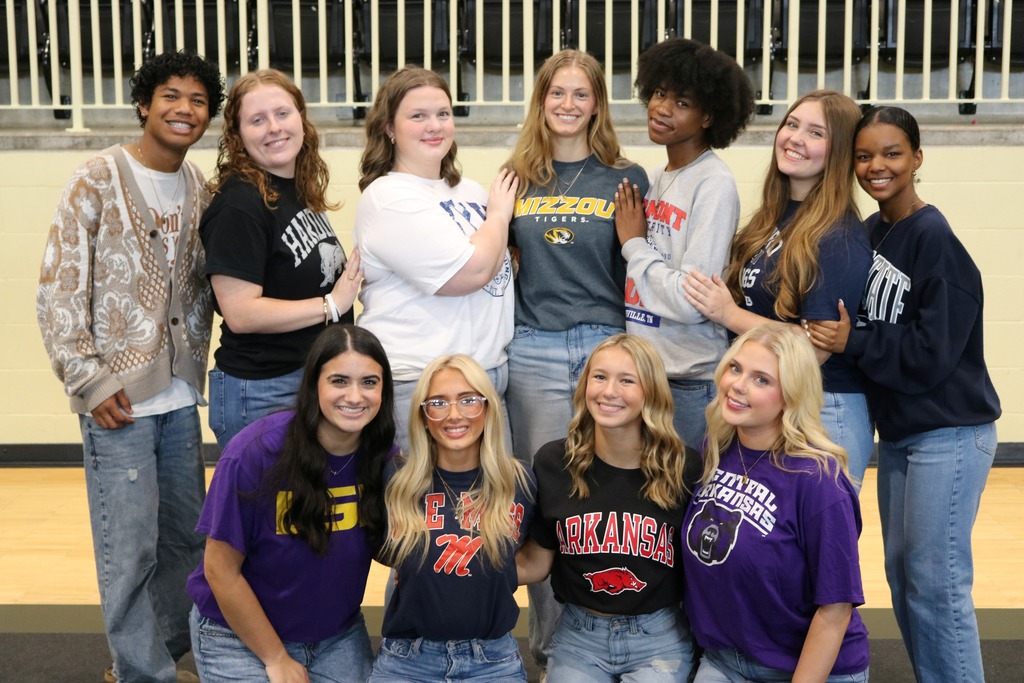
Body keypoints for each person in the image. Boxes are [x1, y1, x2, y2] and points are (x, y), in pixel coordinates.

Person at [36, 51, 225, 683]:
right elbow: (59, 286)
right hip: (117, 397)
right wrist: (87, 379)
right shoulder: (97, 177)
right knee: (129, 547)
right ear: (144, 103)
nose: (184, 110)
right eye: (171, 96)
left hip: (177, 398)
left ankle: (160, 657)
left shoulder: (200, 185)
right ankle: (139, 670)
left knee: (182, 542)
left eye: (197, 101)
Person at [806, 106, 1000, 683]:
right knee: (904, 578)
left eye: (892, 154)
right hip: (899, 434)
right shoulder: (871, 233)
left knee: (936, 583)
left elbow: (932, 354)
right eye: (864, 156)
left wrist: (854, 341)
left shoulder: (934, 238)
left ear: (917, 158)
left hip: (950, 431)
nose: (876, 167)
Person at [503, 49, 649, 670]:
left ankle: (611, 633)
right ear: (541, 101)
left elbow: (640, 268)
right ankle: (552, 645)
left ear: (598, 104)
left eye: (581, 94)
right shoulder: (515, 178)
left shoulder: (626, 177)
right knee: (543, 495)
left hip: (603, 346)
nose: (567, 104)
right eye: (556, 93)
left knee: (606, 492)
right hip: (532, 347)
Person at [682, 90, 874, 487]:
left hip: (824, 407)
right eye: (791, 124)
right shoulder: (773, 219)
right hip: (777, 404)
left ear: (838, 151)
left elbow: (815, 347)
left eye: (815, 132)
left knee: (817, 542)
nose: (795, 138)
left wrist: (728, 314)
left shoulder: (838, 235)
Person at [186, 324, 395, 683]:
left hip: (335, 636)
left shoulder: (385, 459)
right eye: (340, 381)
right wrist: (276, 657)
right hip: (237, 635)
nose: (356, 396)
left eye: (369, 382)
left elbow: (393, 549)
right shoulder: (255, 452)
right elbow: (219, 570)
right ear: (314, 384)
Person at [682, 323, 869, 682]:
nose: (738, 385)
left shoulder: (819, 482)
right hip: (726, 661)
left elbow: (835, 610)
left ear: (791, 396)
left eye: (762, 380)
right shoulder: (717, 448)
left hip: (811, 668)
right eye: (736, 368)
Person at [517, 334, 701, 682]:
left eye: (626, 380)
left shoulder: (683, 468)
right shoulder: (555, 462)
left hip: (658, 636)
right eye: (599, 377)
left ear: (651, 392)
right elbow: (537, 563)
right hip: (577, 636)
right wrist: (455, 569)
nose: (608, 391)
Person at [354, 65, 518, 452]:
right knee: (420, 507)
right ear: (390, 128)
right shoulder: (388, 196)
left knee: (495, 507)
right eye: (418, 116)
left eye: (443, 114)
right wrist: (498, 215)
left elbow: (497, 265)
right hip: (423, 382)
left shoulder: (471, 191)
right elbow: (470, 272)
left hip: (486, 377)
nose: (435, 126)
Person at [200, 68, 362, 450]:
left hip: (304, 380)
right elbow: (240, 313)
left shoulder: (292, 187)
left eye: (283, 113)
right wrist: (331, 305)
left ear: (301, 119)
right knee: (267, 510)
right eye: (257, 120)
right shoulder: (239, 203)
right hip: (261, 391)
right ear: (238, 136)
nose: (274, 127)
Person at [614, 37, 755, 451]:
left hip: (688, 380)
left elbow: (693, 301)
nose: (661, 108)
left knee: (683, 501)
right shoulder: (656, 176)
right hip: (646, 373)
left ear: (709, 115)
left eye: (682, 103)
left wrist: (634, 245)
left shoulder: (713, 183)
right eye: (660, 94)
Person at [371, 355, 534, 682]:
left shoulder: (519, 482)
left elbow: (536, 557)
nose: (454, 414)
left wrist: (483, 575)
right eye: (438, 403)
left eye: (468, 400)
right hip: (408, 658)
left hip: (493, 660)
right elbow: (376, 546)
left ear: (488, 408)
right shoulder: (396, 478)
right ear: (423, 415)